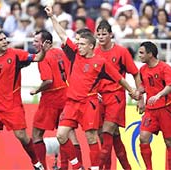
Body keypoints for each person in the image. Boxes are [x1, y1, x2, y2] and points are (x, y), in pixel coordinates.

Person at [45, 6, 139, 169]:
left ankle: (95, 167)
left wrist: (132, 92)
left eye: (82, 44)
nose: (78, 45)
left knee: (92, 137)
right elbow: (62, 34)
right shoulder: (75, 53)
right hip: (71, 103)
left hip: (89, 103)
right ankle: (77, 165)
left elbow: (119, 79)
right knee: (61, 135)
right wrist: (53, 17)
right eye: (78, 43)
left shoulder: (100, 62)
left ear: (90, 46)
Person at [0, 29, 50, 170]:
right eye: (1, 40)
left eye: (5, 38)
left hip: (12, 105)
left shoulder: (16, 55)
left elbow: (37, 58)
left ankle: (35, 162)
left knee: (22, 136)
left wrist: (44, 51)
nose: (5, 41)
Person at [30, 29, 79, 170]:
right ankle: (74, 166)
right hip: (67, 95)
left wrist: (37, 90)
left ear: (47, 43)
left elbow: (48, 80)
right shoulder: (60, 52)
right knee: (68, 134)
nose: (33, 44)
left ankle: (42, 168)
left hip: (51, 99)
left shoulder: (43, 57)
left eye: (36, 41)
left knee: (37, 133)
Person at [95, 20, 141, 169]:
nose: (101, 37)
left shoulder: (121, 52)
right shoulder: (94, 52)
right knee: (110, 137)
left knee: (107, 132)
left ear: (111, 35)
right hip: (99, 98)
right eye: (99, 34)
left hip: (116, 97)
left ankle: (97, 167)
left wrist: (140, 96)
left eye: (104, 34)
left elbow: (135, 73)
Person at [137, 41, 171, 170]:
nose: (139, 55)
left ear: (150, 54)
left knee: (169, 142)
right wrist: (139, 96)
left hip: (166, 108)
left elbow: (170, 85)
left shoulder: (165, 68)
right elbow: (144, 86)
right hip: (151, 110)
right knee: (143, 138)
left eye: (142, 53)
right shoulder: (142, 69)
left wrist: (158, 95)